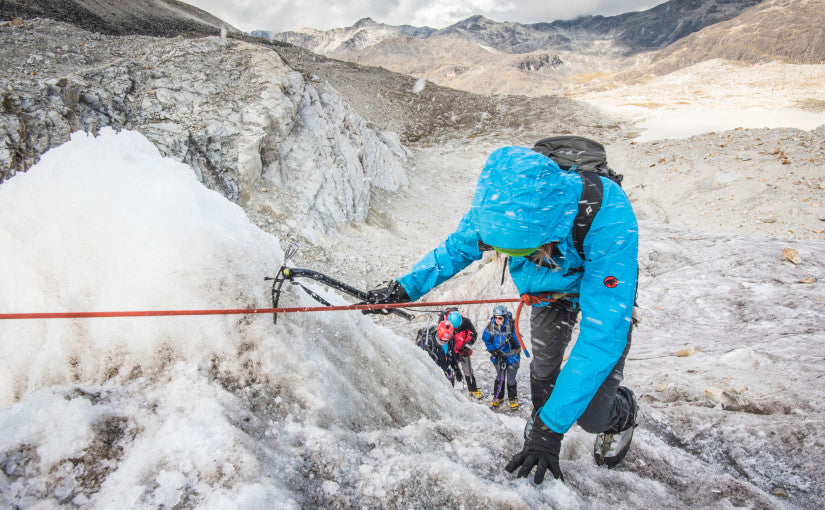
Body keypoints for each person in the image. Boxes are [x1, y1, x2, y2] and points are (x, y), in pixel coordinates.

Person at [364, 143, 639, 483]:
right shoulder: (497, 207)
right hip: (547, 295)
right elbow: (456, 249)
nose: (506, 255)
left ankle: (621, 414)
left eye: (521, 251)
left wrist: (551, 432)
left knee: (593, 417)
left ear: (547, 229)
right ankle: (541, 424)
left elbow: (602, 336)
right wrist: (403, 290)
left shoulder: (608, 217)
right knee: (543, 374)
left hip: (603, 286)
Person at [482, 304, 521, 409]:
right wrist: (493, 351)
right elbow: (486, 340)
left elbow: (519, 343)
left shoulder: (512, 327)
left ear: (505, 317)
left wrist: (513, 342)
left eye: (500, 318)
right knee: (499, 378)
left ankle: (513, 398)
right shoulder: (491, 327)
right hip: (498, 358)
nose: (497, 320)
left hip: (512, 358)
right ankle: (498, 397)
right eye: (495, 317)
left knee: (511, 380)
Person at [443, 309, 482, 400]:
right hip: (452, 352)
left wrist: (467, 346)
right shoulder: (445, 326)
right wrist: (455, 355)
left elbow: (473, 334)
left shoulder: (466, 322)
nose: (458, 329)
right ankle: (449, 394)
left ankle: (473, 390)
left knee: (468, 371)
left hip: (464, 350)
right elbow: (446, 345)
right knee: (450, 373)